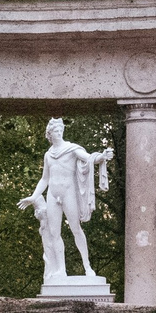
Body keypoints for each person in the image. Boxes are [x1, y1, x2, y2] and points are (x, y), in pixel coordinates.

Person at [18, 117, 112, 284]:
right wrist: (34, 196)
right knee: (54, 234)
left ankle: (87, 266)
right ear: (50, 134)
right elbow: (44, 179)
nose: (59, 132)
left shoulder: (71, 149)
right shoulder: (48, 155)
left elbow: (88, 158)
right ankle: (62, 270)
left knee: (76, 229)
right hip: (52, 195)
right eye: (56, 130)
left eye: (61, 129)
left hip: (69, 193)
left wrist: (102, 157)